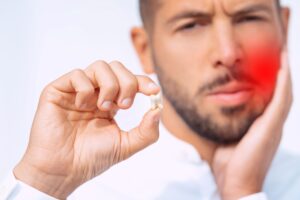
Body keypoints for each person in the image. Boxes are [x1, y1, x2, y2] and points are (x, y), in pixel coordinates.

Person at [1, 0, 299, 199]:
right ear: (144, 49)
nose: (228, 53)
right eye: (191, 25)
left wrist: (243, 192)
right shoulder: (89, 190)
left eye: (249, 18)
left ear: (283, 27)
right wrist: (45, 183)